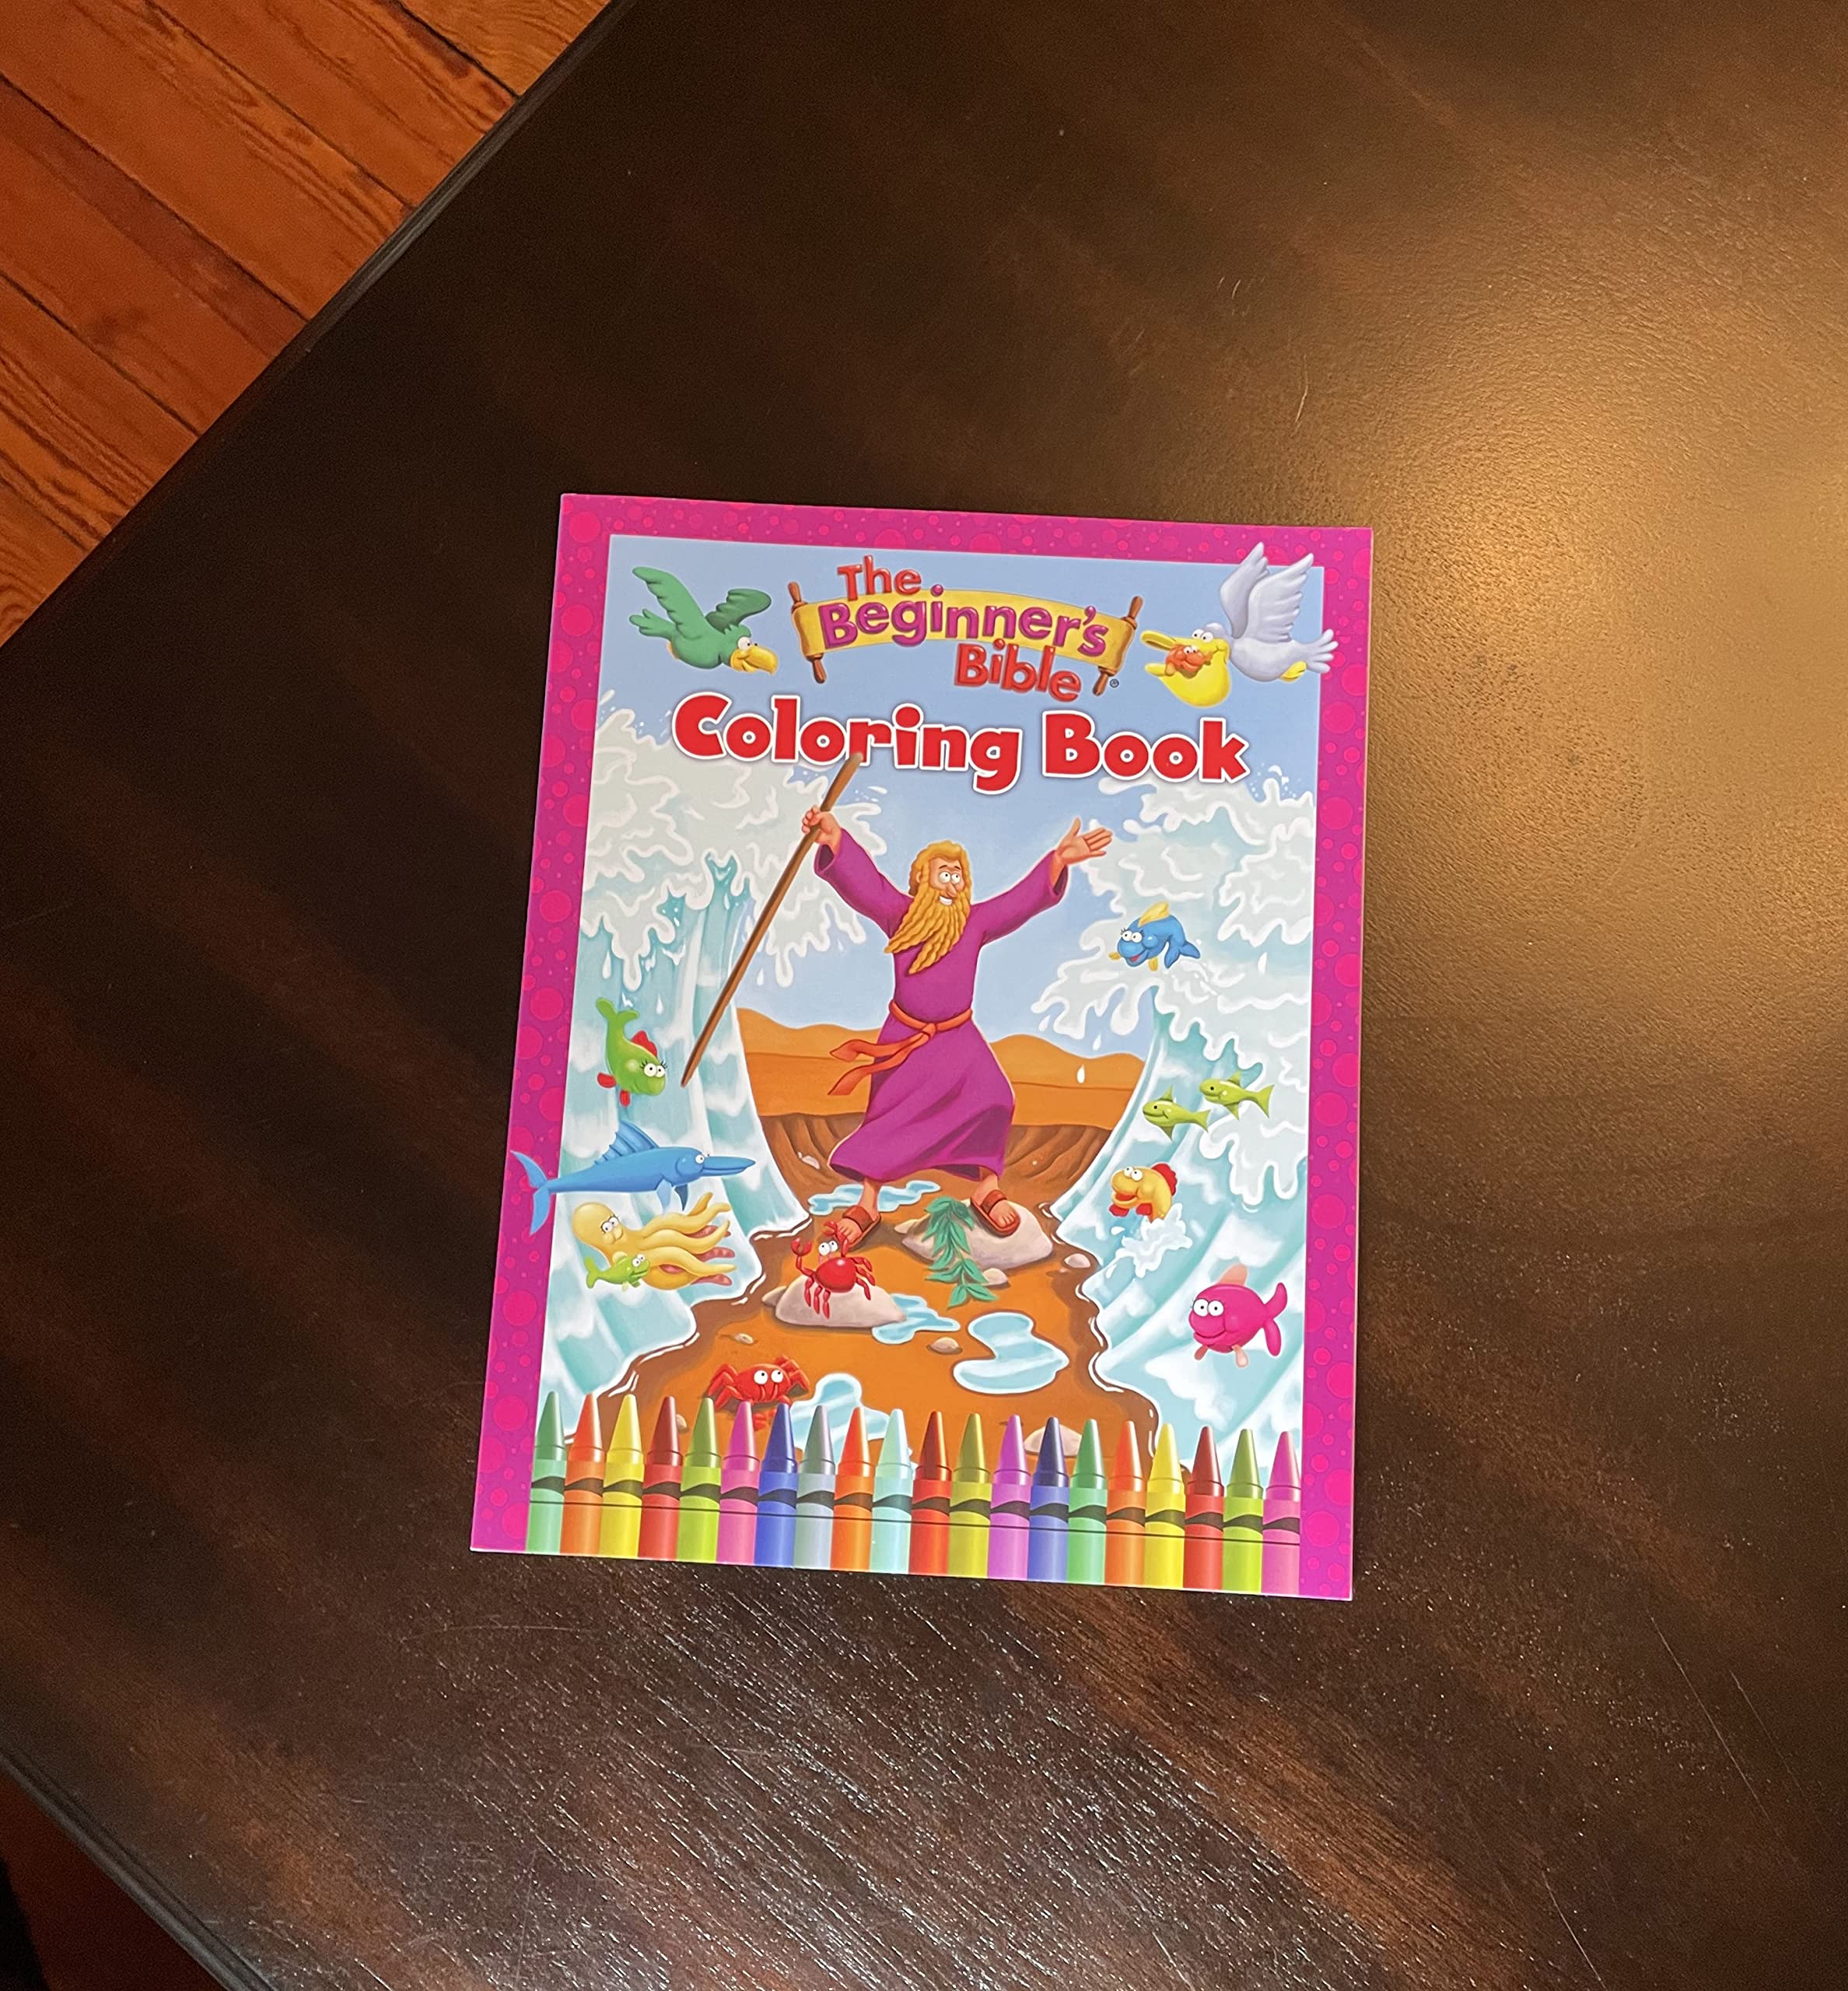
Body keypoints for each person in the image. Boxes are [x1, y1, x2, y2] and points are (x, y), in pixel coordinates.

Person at [802, 809, 1111, 1244]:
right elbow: (865, 884)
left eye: (958, 876)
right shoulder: (899, 914)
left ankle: (987, 1187)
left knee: (995, 1097)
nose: (951, 883)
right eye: (943, 874)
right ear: (921, 881)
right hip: (906, 1039)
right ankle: (867, 1203)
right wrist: (836, 839)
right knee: (888, 1118)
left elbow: (1016, 904)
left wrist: (1057, 861)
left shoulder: (973, 923)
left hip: (957, 1039)